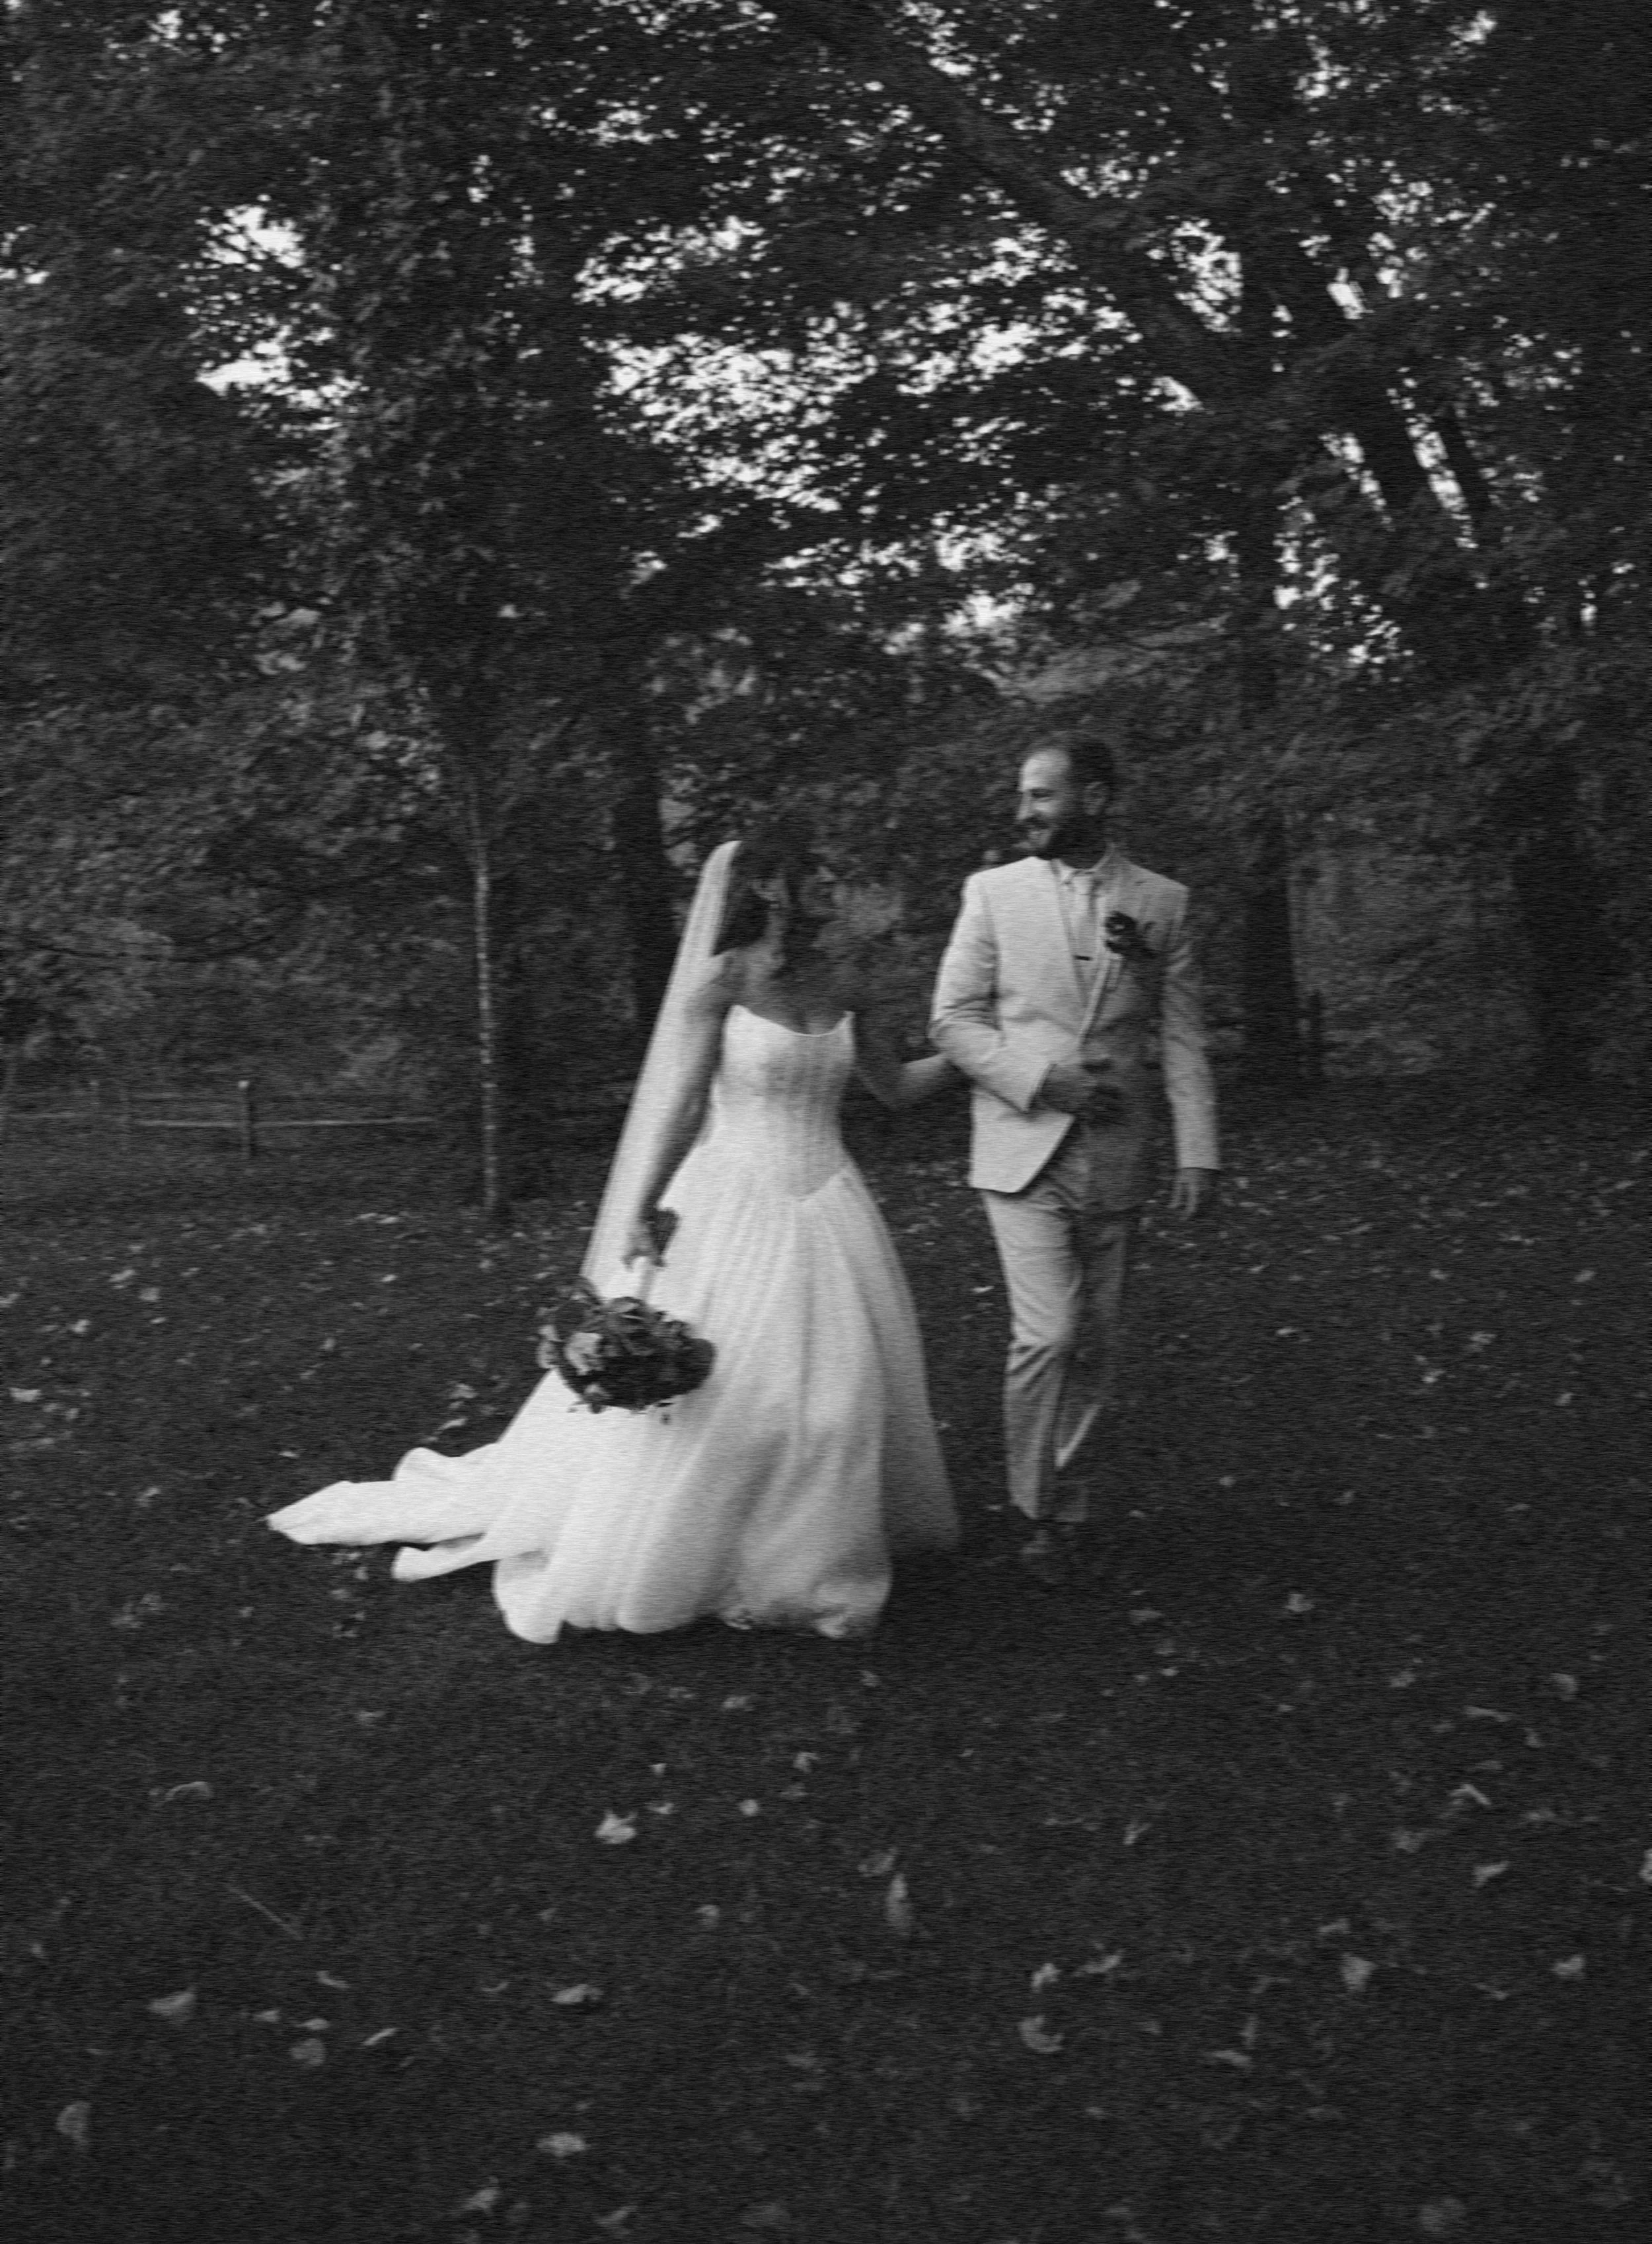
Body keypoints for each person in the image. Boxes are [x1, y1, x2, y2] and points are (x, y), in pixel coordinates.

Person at [268, 825, 961, 1641]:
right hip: (733, 1200)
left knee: (840, 1399)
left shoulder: (847, 982)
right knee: (739, 1395)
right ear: (770, 886)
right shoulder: (723, 979)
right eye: (815, 871)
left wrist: (977, 1053)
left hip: (829, 1203)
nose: (830, 885)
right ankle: (706, 1542)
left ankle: (810, 1553)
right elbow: (681, 1104)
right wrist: (645, 1199)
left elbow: (896, 1089)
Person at [929, 732, 1219, 1586]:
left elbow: (1184, 1035)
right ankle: (1032, 1510)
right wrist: (1042, 1082)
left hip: (1118, 1150)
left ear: (1095, 798)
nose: (1025, 813)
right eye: (1023, 797)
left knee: (1097, 1342)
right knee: (1047, 1334)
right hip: (1021, 1147)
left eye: (1042, 796)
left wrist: (1199, 1153)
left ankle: (1075, 1501)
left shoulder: (1162, 901)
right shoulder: (991, 894)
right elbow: (953, 1019)